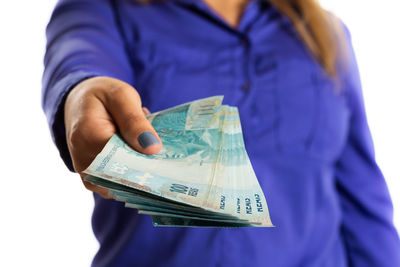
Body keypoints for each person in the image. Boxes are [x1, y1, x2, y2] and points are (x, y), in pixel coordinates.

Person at [42, 0, 400, 266]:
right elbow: (78, 61)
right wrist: (80, 94)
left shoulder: (324, 32)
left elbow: (361, 195)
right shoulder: (104, 9)